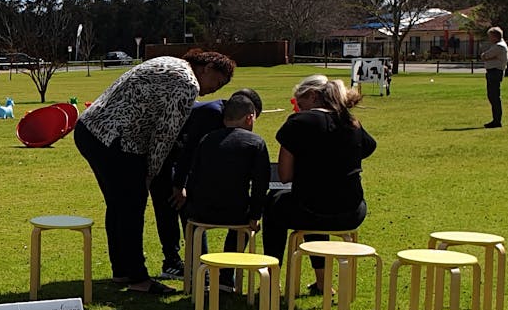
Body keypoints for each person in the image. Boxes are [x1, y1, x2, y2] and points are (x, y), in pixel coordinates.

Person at [73, 49, 234, 295]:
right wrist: (150, 174)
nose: (215, 89)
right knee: (132, 205)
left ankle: (122, 271)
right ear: (208, 68)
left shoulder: (170, 62)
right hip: (117, 139)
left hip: (90, 128)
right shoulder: (188, 83)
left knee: (117, 204)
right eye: (218, 81)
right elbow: (165, 135)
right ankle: (138, 278)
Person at [262, 74, 376, 294]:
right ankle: (323, 283)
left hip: (310, 208)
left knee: (277, 204)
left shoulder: (298, 123)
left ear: (312, 96)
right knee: (314, 201)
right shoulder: (351, 121)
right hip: (351, 211)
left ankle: (272, 277)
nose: (298, 108)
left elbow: (284, 175)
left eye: (299, 102)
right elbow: (369, 147)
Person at [183, 92, 270, 288]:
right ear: (250, 117)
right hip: (236, 213)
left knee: (197, 227)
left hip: (201, 211)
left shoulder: (206, 139)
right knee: (243, 225)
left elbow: (194, 175)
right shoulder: (255, 143)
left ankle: (199, 275)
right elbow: (260, 184)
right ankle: (226, 276)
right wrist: (255, 215)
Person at [481, 26, 508, 128]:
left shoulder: (498, 47)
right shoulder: (499, 45)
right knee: (493, 96)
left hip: (494, 72)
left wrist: (485, 57)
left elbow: (485, 56)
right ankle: (496, 120)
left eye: (490, 36)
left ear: (495, 36)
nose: (489, 39)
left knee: (494, 97)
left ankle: (496, 121)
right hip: (494, 72)